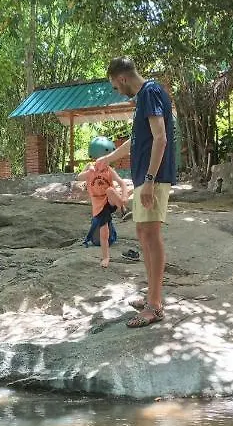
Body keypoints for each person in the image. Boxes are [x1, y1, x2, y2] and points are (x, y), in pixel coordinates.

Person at [95, 57, 176, 328]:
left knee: (151, 235)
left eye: (116, 87)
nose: (118, 92)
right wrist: (110, 158)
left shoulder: (150, 92)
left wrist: (151, 180)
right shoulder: (144, 98)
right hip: (144, 178)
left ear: (122, 78)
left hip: (154, 177)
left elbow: (161, 137)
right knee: (143, 233)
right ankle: (152, 296)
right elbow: (138, 140)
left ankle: (155, 305)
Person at [72, 136, 129, 268]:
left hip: (111, 201)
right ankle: (106, 257)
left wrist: (124, 197)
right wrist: (88, 172)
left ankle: (124, 210)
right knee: (104, 233)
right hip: (99, 206)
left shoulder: (109, 170)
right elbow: (78, 177)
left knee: (109, 190)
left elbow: (122, 183)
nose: (105, 163)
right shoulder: (90, 168)